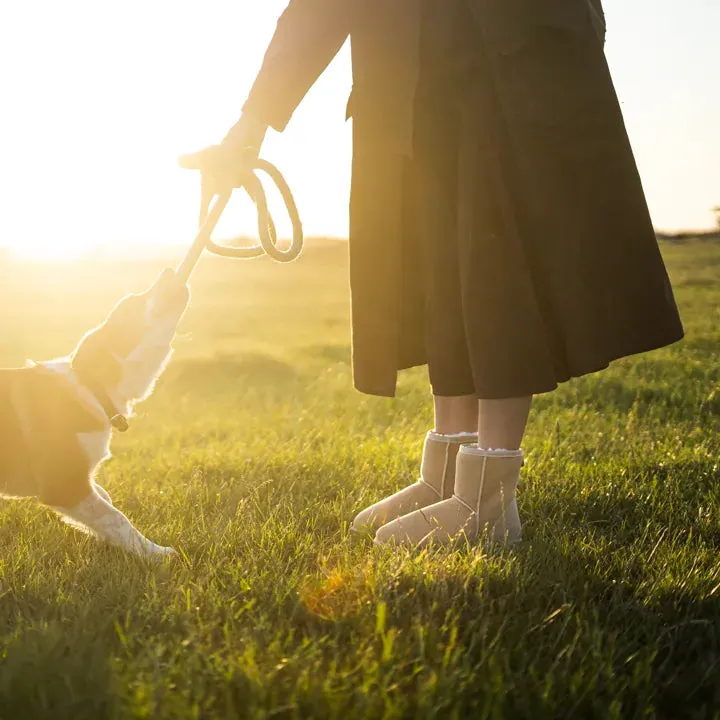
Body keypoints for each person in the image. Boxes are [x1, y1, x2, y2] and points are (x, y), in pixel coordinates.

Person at [180, 0, 684, 549]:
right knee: (439, 271)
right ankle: (447, 474)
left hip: (511, 61)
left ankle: (488, 501)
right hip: (407, 79)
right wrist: (251, 123)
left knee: (496, 263)